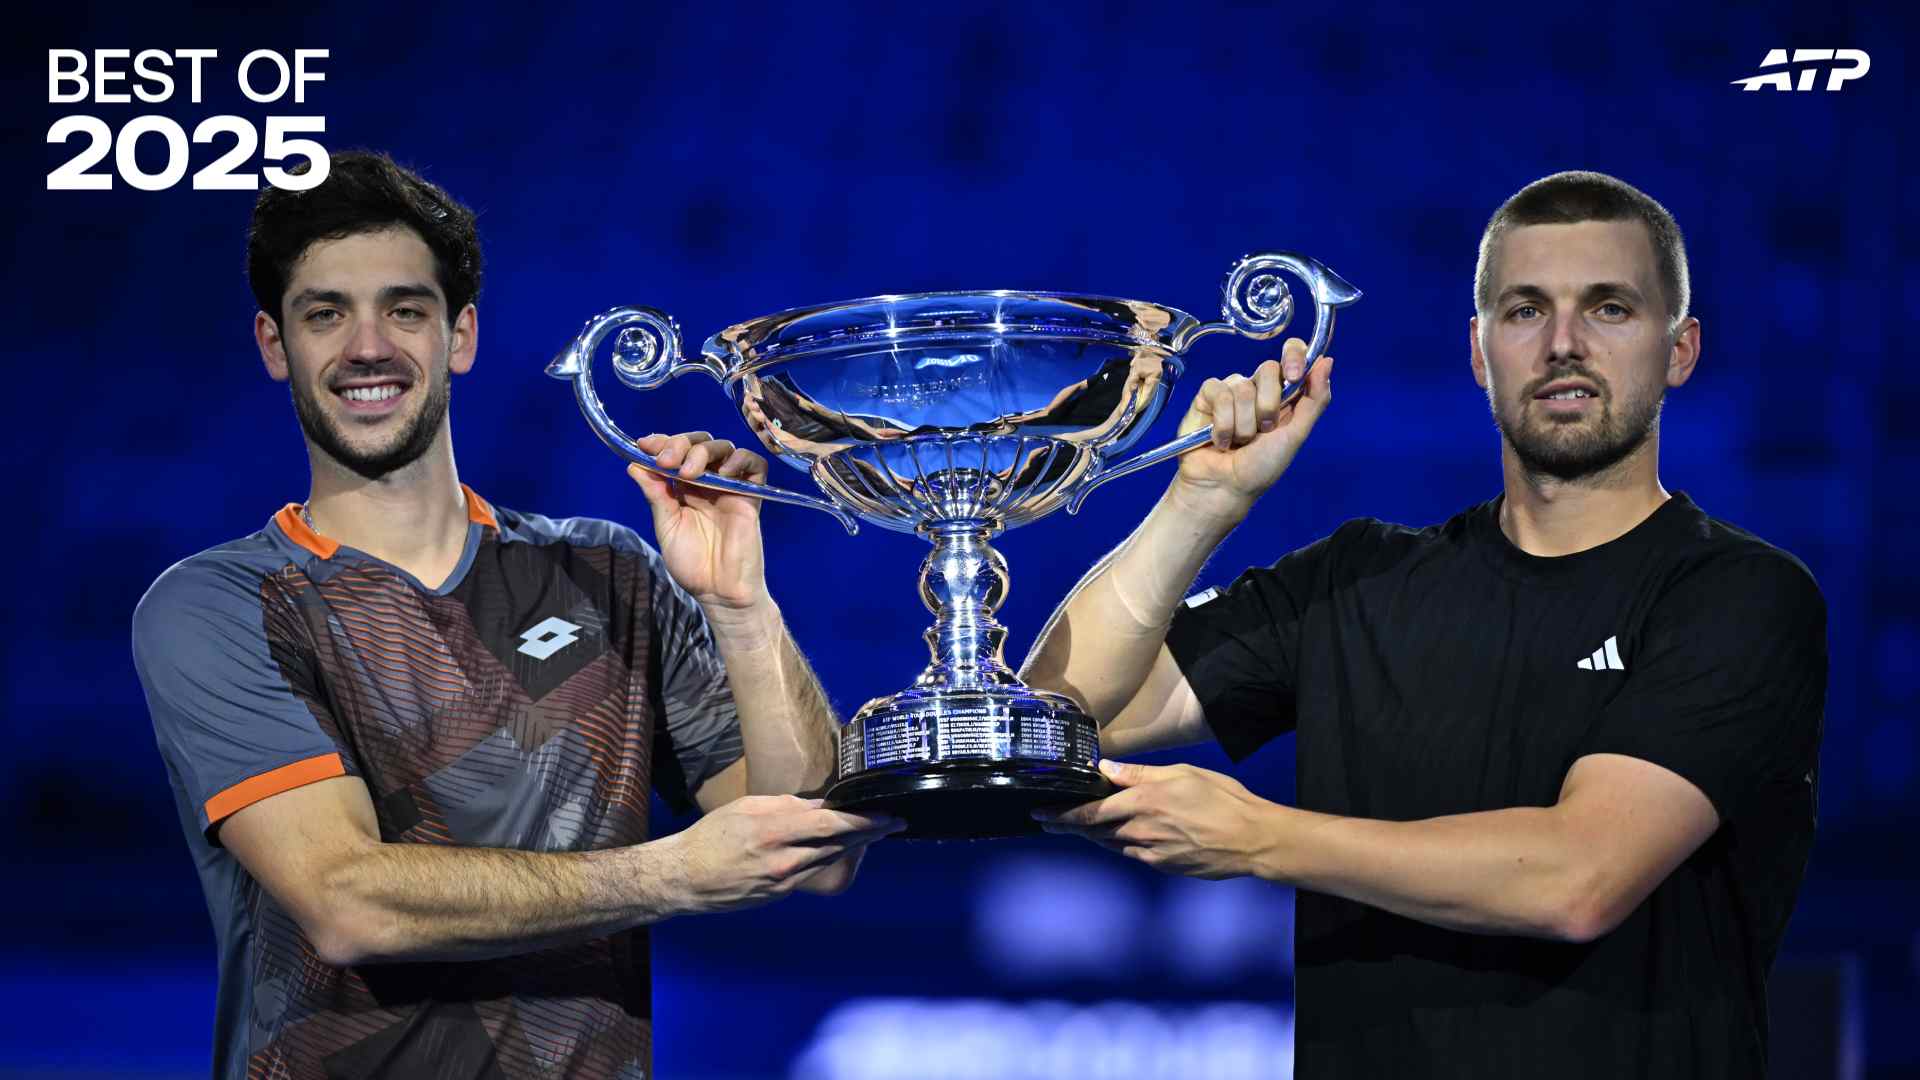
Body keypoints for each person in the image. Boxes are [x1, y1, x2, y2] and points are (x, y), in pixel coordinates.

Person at [1022, 171, 1825, 1078]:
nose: (1563, 344)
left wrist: (1262, 836)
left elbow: (1579, 878)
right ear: (1479, 353)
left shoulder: (1739, 594)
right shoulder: (1357, 578)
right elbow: (1059, 717)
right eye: (1524, 311)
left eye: (1608, 309)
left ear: (1679, 350)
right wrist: (1199, 502)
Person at [131, 151, 898, 1079]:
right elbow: (348, 903)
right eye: (325, 313)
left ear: (461, 336)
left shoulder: (610, 573)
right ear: (272, 344)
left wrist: (741, 604)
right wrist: (673, 874)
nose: (367, 346)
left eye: (404, 310)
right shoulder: (217, 605)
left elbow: (812, 853)